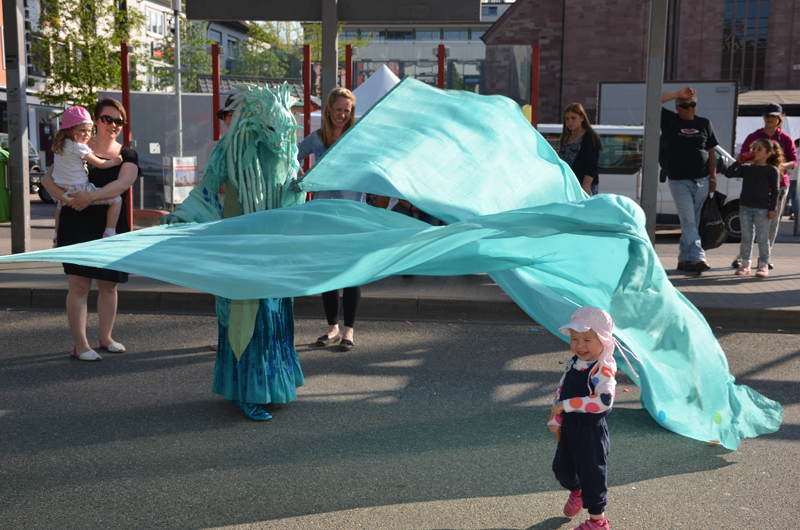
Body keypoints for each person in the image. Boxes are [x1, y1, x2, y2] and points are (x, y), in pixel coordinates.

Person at [162, 84, 306, 421]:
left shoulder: (284, 151)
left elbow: (289, 199)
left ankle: (269, 385)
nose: (278, 134)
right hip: (239, 250)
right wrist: (181, 216)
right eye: (271, 127)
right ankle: (247, 391)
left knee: (271, 318)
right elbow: (206, 191)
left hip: (272, 252)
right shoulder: (228, 151)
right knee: (246, 321)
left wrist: (297, 187)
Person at [40, 98, 139, 361]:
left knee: (109, 287)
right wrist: (71, 198)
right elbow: (48, 180)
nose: (113, 125)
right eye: (107, 119)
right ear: (95, 121)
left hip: (111, 228)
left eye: (119, 121)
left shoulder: (127, 154)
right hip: (77, 225)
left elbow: (122, 184)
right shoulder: (75, 147)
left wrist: (90, 197)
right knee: (79, 286)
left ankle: (106, 338)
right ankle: (81, 345)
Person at [548, 307, 638, 530]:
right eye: (574, 338)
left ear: (604, 342)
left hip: (590, 432)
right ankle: (575, 492)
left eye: (587, 339)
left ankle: (598, 522)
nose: (579, 345)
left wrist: (566, 405)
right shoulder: (575, 362)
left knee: (592, 476)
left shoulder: (603, 369)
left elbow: (603, 401)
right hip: (569, 427)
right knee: (562, 469)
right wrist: (555, 417)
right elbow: (563, 388)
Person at [297, 87, 362, 352]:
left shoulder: (357, 138)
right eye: (338, 110)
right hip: (323, 215)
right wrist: (302, 178)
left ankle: (349, 331)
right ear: (328, 109)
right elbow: (292, 157)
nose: (343, 115)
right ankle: (332, 327)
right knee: (328, 272)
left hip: (351, 216)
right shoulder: (316, 138)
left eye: (347, 111)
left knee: (351, 274)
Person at [660, 87, 718, 275]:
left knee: (693, 221)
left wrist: (713, 177)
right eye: (684, 106)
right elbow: (653, 100)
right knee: (688, 220)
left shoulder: (704, 123)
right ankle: (698, 257)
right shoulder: (670, 121)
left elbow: (711, 152)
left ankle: (684, 259)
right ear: (677, 107)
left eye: (692, 105)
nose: (689, 108)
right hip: (679, 181)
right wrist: (678, 94)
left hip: (702, 180)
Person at [733, 103, 798, 270]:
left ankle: (764, 259)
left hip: (779, 185)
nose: (770, 119)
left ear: (779, 118)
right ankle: (743, 257)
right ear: (763, 117)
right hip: (754, 185)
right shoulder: (754, 136)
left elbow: (794, 161)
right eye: (767, 115)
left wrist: (780, 166)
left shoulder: (785, 138)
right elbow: (742, 156)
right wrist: (750, 158)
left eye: (774, 116)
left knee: (772, 221)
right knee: (749, 223)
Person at [51, 106, 123, 246]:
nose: (87, 135)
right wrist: (115, 161)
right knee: (117, 200)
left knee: (61, 206)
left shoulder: (61, 146)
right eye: (82, 130)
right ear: (72, 130)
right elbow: (100, 164)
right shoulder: (79, 147)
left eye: (89, 131)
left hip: (62, 188)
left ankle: (56, 236)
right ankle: (110, 232)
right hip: (79, 188)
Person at [726, 139, 782, 278]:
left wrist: (772, 208)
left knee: (762, 238)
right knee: (746, 237)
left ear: (768, 154)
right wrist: (739, 161)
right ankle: (745, 264)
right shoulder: (746, 168)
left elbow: (775, 190)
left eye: (759, 149)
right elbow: (728, 173)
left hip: (763, 209)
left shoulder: (772, 170)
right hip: (745, 207)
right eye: (754, 149)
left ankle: (763, 265)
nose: (755, 152)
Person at [558, 103, 603, 195]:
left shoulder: (590, 136)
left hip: (583, 187)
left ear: (582, 117)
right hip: (568, 185)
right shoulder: (567, 137)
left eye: (573, 118)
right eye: (567, 119)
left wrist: (583, 191)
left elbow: (591, 166)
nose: (570, 121)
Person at [788, 138, 800, 221]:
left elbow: (789, 166)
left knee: (794, 198)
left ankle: (797, 215)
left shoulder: (793, 152)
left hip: (792, 178)